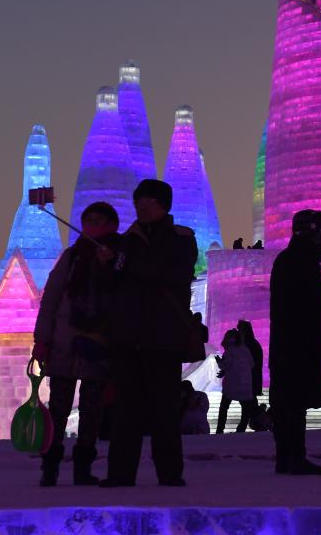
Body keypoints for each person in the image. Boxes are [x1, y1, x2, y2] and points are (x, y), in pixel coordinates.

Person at [101, 179, 198, 488]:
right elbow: (110, 287)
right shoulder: (125, 242)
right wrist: (106, 266)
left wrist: (127, 265)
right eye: (139, 201)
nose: (142, 206)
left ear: (164, 205)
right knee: (125, 411)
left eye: (150, 201)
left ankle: (170, 474)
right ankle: (119, 474)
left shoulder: (181, 238)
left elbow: (174, 274)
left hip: (164, 338)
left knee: (165, 411)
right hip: (129, 339)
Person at [33, 201, 120, 486]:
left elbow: (126, 295)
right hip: (65, 346)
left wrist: (112, 266)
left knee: (91, 412)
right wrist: (42, 340)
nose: (93, 225)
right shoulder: (72, 258)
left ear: (111, 225)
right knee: (58, 409)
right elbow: (51, 300)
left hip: (98, 346)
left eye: (99, 220)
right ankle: (51, 467)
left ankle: (83, 467)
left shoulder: (120, 255)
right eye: (88, 219)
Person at [269, 209, 321, 475]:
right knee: (293, 404)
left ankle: (288, 457)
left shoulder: (290, 259)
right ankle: (293, 457)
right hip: (298, 345)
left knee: (290, 403)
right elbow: (301, 310)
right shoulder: (300, 262)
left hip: (289, 344)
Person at [216, 328, 257, 434]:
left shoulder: (229, 350)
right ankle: (241, 429)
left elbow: (226, 366)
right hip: (246, 384)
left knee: (224, 407)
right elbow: (252, 364)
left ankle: (220, 430)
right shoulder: (245, 349)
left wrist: (220, 363)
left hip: (232, 385)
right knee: (245, 409)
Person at [237, 320, 264, 432]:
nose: (238, 332)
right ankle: (260, 421)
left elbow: (250, 365)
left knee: (247, 404)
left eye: (240, 329)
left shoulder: (249, 345)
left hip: (249, 381)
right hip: (250, 380)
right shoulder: (252, 344)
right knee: (249, 404)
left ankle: (259, 421)